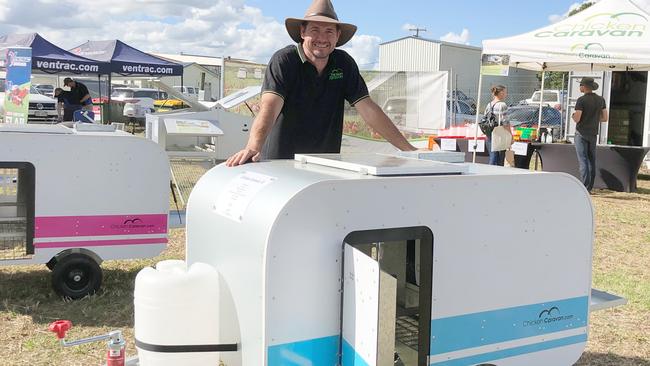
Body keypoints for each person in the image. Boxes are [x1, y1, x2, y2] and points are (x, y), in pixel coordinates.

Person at [226, 0, 417, 166]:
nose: (322, 38)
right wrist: (253, 147)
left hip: (324, 164)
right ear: (302, 32)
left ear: (337, 35)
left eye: (329, 31)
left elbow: (369, 109)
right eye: (315, 30)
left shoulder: (343, 64)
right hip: (280, 164)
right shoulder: (285, 60)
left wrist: (410, 151)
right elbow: (269, 106)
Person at [572, 77, 608, 192]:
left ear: (584, 86)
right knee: (591, 160)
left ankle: (584, 187)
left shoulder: (581, 100)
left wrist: (573, 116)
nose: (580, 87)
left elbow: (577, 118)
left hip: (581, 133)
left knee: (583, 160)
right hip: (593, 133)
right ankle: (590, 186)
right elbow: (605, 118)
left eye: (580, 85)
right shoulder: (601, 99)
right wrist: (593, 119)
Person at [484, 85, 511, 166]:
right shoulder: (502, 105)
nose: (506, 94)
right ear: (501, 93)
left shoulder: (489, 104)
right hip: (499, 134)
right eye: (505, 92)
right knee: (499, 158)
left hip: (489, 132)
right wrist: (510, 135)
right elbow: (506, 122)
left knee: (493, 156)